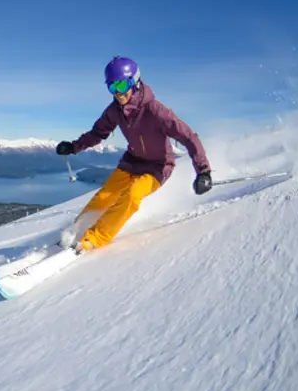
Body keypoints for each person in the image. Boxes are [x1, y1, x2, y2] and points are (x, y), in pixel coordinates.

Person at [55, 56, 213, 254]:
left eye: (121, 85)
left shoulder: (156, 111)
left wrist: (203, 171)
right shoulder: (115, 111)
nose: (118, 92)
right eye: (112, 87)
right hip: (131, 162)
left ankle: (95, 237)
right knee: (104, 196)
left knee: (131, 195)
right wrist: (73, 146)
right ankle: (74, 233)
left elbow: (189, 137)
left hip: (157, 167)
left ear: (134, 82)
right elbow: (98, 133)